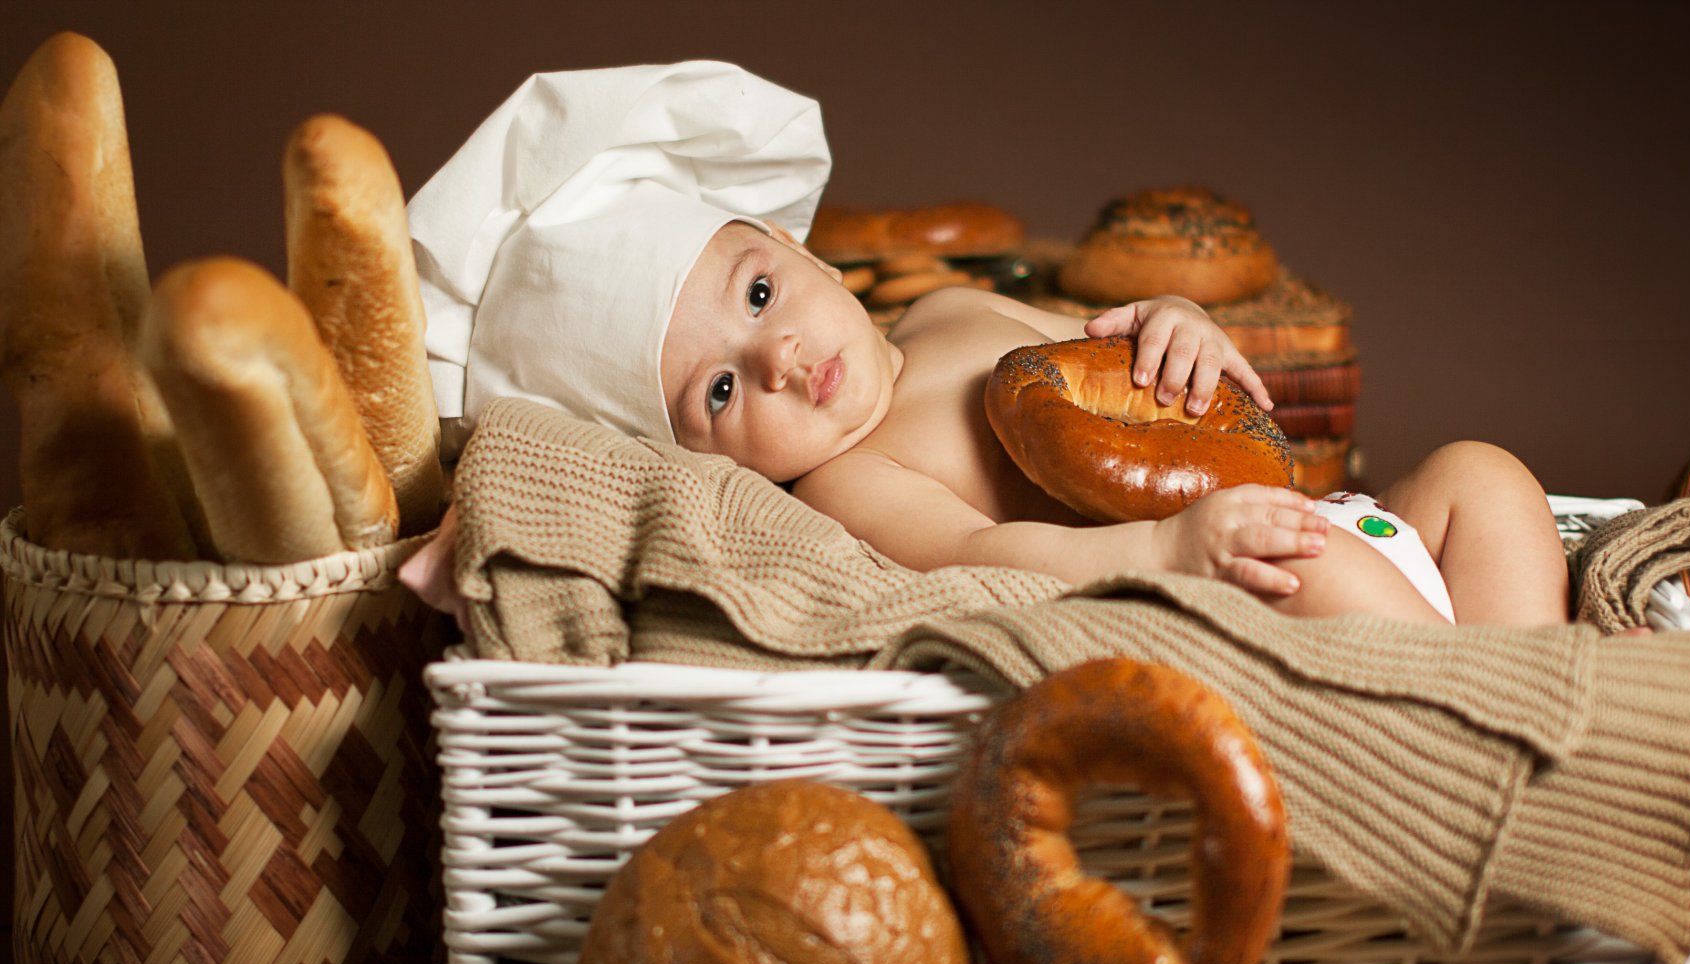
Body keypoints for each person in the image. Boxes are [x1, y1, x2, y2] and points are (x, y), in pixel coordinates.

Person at [400, 63, 1569, 632]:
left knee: (1482, 476)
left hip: (1337, 521)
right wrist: (1170, 550)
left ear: (799, 250)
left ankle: (1554, 699)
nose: (778, 359)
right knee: (1318, 568)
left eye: (758, 293)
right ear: (703, 459)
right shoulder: (850, 483)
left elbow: (1132, 376)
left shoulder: (953, 309)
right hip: (1244, 586)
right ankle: (1504, 735)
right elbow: (983, 552)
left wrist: (1179, 325)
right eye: (717, 390)